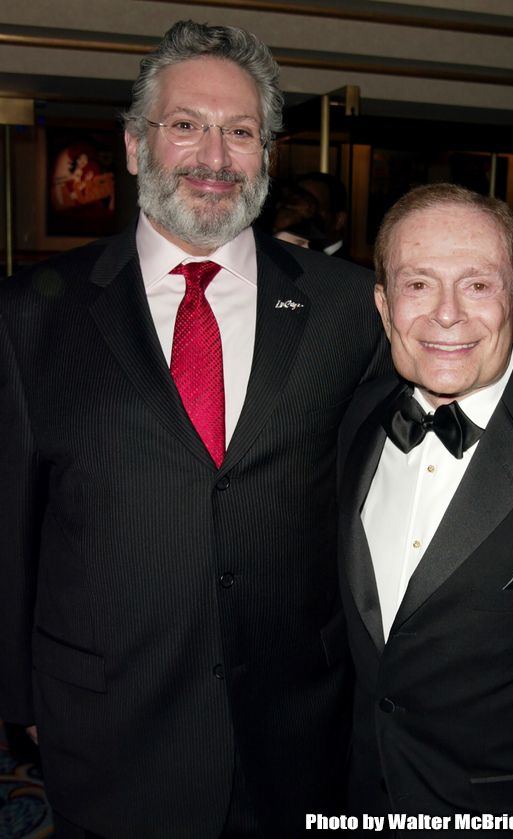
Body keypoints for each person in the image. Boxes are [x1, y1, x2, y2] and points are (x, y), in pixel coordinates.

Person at [0, 20, 387, 839]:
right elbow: (8, 523)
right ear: (137, 146)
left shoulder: (349, 309)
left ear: (266, 155)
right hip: (109, 728)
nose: (215, 156)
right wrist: (20, 698)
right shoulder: (32, 316)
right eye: (187, 125)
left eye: (240, 131)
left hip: (295, 733)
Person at [337, 183, 513, 837]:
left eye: (477, 285)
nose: (446, 315)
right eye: (418, 284)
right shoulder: (354, 418)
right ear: (383, 303)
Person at [296, 171, 350, 258]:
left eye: (311, 209)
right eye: (294, 205)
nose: (300, 215)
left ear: (339, 220)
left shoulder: (350, 268)